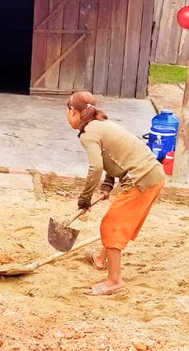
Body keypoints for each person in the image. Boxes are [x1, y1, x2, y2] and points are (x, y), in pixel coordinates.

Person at [66, 91, 165, 296]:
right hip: (151, 174)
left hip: (142, 178)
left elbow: (95, 167)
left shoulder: (89, 134)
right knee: (117, 222)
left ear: (73, 111)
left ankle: (114, 281)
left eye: (68, 112)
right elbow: (112, 158)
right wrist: (106, 187)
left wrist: (84, 200)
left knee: (112, 224)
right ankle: (100, 259)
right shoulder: (102, 123)